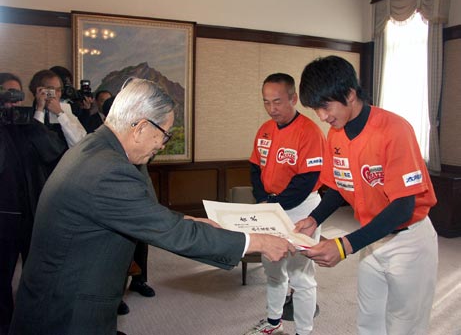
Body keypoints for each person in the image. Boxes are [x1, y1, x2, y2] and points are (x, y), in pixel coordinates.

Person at [8, 78, 295, 335]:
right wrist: (257, 241)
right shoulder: (109, 171)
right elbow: (172, 234)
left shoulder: (98, 149)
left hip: (62, 294)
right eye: (164, 134)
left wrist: (190, 220)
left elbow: (141, 213)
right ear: (141, 127)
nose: (162, 145)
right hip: (65, 312)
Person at [295, 55, 438, 335]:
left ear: (349, 94)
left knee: (405, 325)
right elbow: (338, 186)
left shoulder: (394, 130)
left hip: (408, 241)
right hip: (372, 236)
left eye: (325, 106)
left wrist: (344, 246)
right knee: (369, 320)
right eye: (315, 109)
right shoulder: (336, 134)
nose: (322, 117)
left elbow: (403, 207)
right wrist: (314, 218)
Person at [245, 73, 326, 335]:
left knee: (301, 275)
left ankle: (304, 330)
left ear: (293, 98)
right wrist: (264, 200)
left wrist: (275, 203)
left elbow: (307, 179)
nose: (271, 109)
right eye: (266, 102)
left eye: (277, 102)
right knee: (273, 269)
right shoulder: (265, 129)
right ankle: (273, 322)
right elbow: (255, 168)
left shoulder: (309, 131)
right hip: (270, 206)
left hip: (302, 209)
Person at [0, 73, 67, 335]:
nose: (12, 101)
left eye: (17, 95)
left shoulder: (28, 123)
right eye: (6, 94)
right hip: (3, 216)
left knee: (35, 274)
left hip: (31, 212)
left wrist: (33, 121)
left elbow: (54, 152)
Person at [29, 69, 87, 148]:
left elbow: (80, 142)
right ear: (39, 90)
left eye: (59, 90)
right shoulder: (29, 113)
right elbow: (37, 143)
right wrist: (40, 109)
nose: (56, 94)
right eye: (51, 89)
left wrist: (60, 113)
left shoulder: (65, 109)